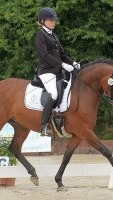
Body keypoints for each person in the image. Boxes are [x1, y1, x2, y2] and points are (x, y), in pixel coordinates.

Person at [35, 7, 80, 136]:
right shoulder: (40, 36)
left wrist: (73, 63)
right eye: (51, 20)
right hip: (46, 72)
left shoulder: (53, 35)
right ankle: (43, 126)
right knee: (53, 94)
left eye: (54, 20)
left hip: (58, 71)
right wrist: (63, 65)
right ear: (42, 21)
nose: (54, 22)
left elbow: (62, 54)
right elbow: (45, 56)